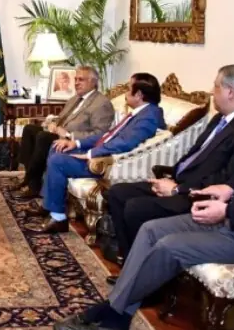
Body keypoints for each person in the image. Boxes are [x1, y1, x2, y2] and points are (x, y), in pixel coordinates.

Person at [53, 68, 234, 330]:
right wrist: (229, 191)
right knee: (150, 229)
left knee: (169, 245)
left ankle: (113, 316)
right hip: (229, 210)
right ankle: (116, 316)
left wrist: (227, 210)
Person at [106, 65, 234, 267]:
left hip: (196, 195)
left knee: (135, 208)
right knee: (117, 193)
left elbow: (228, 179)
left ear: (230, 92)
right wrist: (172, 176)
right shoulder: (220, 119)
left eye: (216, 86)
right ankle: (130, 263)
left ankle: (144, 269)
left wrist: (178, 189)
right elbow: (194, 154)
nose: (211, 91)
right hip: (179, 183)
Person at [27, 73, 166, 234]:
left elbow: (125, 143)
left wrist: (90, 154)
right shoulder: (142, 112)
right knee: (58, 146)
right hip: (102, 151)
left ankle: (58, 218)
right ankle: (50, 205)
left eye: (129, 89)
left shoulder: (148, 117)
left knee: (58, 161)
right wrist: (76, 143)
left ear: (139, 95)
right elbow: (109, 135)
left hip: (108, 163)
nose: (126, 93)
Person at [14, 66, 114, 198]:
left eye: (81, 80)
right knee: (29, 129)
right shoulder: (75, 98)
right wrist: (52, 123)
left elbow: (100, 134)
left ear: (93, 82)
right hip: (59, 134)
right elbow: (61, 118)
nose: (76, 83)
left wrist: (68, 135)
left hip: (75, 142)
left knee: (43, 137)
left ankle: (30, 178)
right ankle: (33, 183)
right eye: (76, 79)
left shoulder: (101, 103)